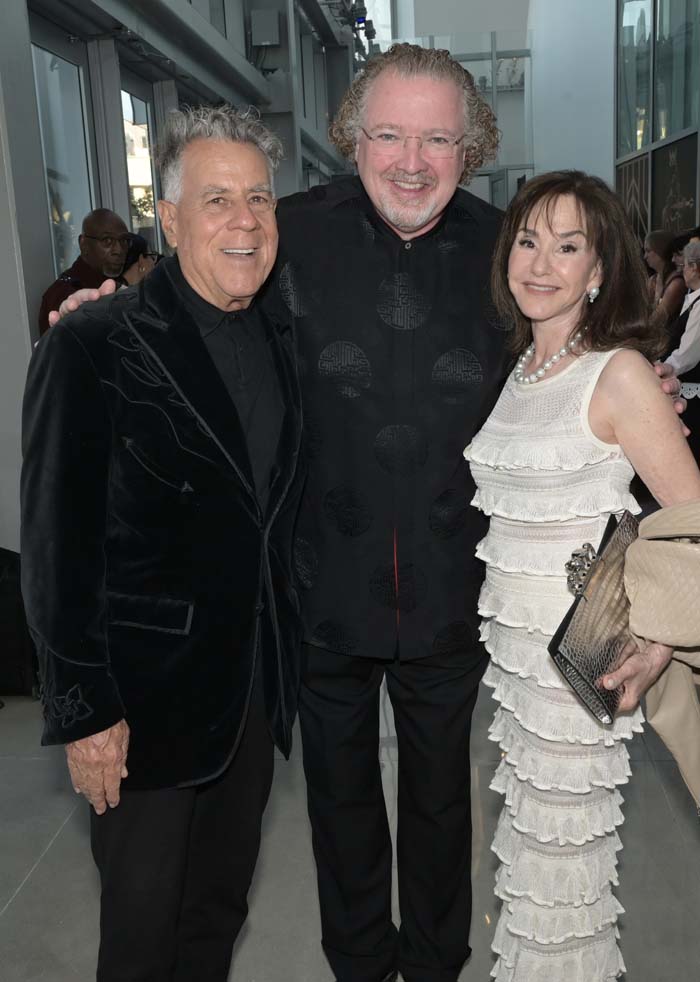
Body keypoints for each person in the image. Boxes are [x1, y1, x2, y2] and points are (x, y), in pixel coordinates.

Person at [46, 44, 685, 982]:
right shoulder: (285, 233)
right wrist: (111, 309)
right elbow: (202, 310)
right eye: (388, 134)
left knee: (442, 805)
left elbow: (569, 341)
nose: (411, 160)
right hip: (314, 597)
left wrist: (639, 381)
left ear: (471, 148)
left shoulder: (504, 247)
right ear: (353, 139)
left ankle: (432, 965)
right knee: (336, 805)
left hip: (459, 598)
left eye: (436, 138)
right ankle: (358, 966)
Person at [21, 106, 304, 982]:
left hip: (252, 696)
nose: (246, 220)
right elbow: (55, 546)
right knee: (142, 938)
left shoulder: (284, 336)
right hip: (141, 713)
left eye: (259, 197)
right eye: (217, 199)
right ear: (171, 219)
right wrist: (85, 711)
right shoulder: (95, 343)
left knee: (216, 916)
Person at [466, 170, 700, 980]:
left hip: (579, 668)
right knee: (533, 872)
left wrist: (661, 642)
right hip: (518, 675)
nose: (541, 263)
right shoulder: (523, 370)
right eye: (528, 241)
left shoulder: (619, 374)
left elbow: (692, 520)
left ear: (599, 269)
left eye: (568, 247)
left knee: (564, 882)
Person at [37, 207, 154, 335]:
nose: (119, 250)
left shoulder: (117, 285)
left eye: (124, 241)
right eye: (107, 241)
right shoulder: (63, 294)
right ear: (83, 244)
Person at [665, 239, 700, 462]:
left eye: (685, 265)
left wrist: (662, 368)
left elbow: (689, 353)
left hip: (693, 393)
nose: (683, 271)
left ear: (695, 267)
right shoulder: (694, 300)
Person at [644, 228, 686, 336]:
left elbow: (657, 320)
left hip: (669, 343)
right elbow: (643, 312)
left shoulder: (677, 283)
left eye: (648, 251)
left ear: (660, 251)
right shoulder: (653, 280)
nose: (645, 256)